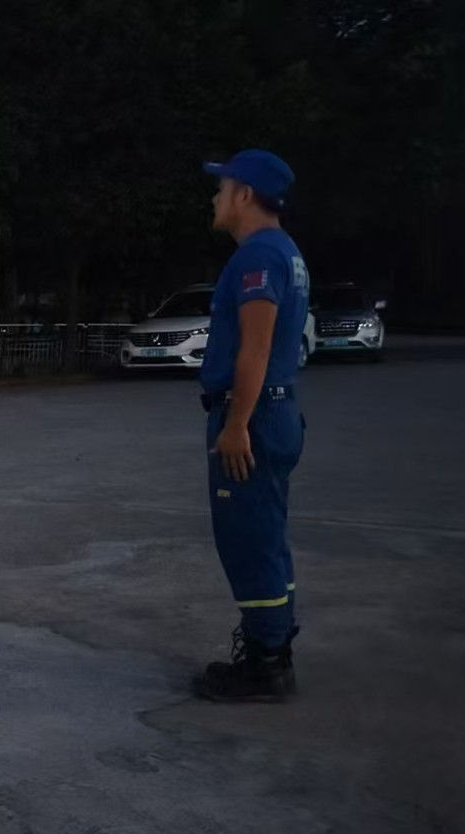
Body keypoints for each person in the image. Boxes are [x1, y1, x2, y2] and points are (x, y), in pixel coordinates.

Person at [192, 149, 310, 703]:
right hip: (275, 411)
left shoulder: (259, 256)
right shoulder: (284, 251)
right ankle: (272, 648)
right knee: (265, 537)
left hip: (254, 417)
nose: (216, 197)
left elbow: (255, 348)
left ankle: (266, 667)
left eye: (223, 188)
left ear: (244, 195)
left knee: (247, 542)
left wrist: (236, 423)